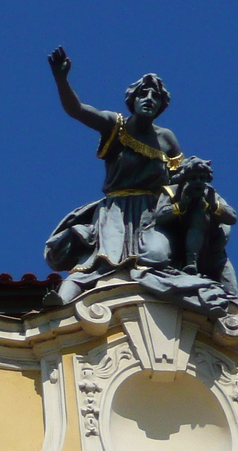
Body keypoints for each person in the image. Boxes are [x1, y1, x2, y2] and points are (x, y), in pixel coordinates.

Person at [42, 47, 183, 307]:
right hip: (116, 210)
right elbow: (76, 109)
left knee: (158, 258)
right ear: (133, 99)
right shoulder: (115, 125)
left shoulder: (166, 139)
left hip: (152, 212)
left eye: (156, 96)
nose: (149, 98)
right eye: (144, 93)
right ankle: (60, 302)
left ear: (162, 105)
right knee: (100, 260)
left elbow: (180, 181)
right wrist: (61, 79)